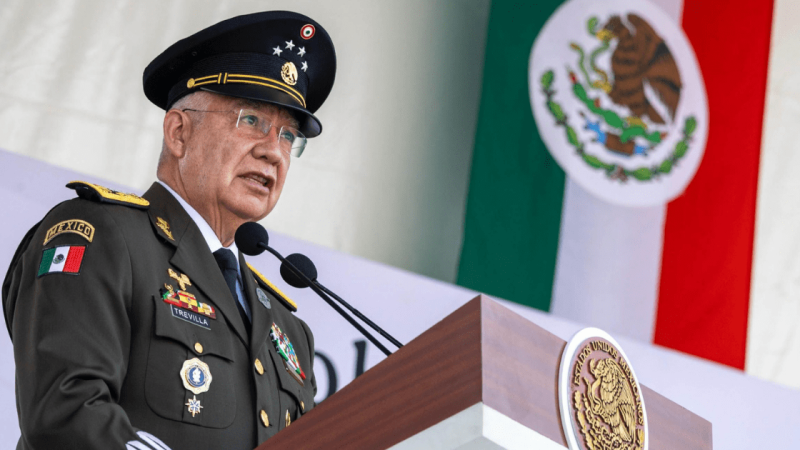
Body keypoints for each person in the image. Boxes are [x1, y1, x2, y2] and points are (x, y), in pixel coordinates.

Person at [2, 10, 336, 449]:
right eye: (251, 120)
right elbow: (66, 413)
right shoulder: (102, 235)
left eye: (288, 137)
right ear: (179, 132)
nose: (274, 152)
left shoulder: (288, 328)